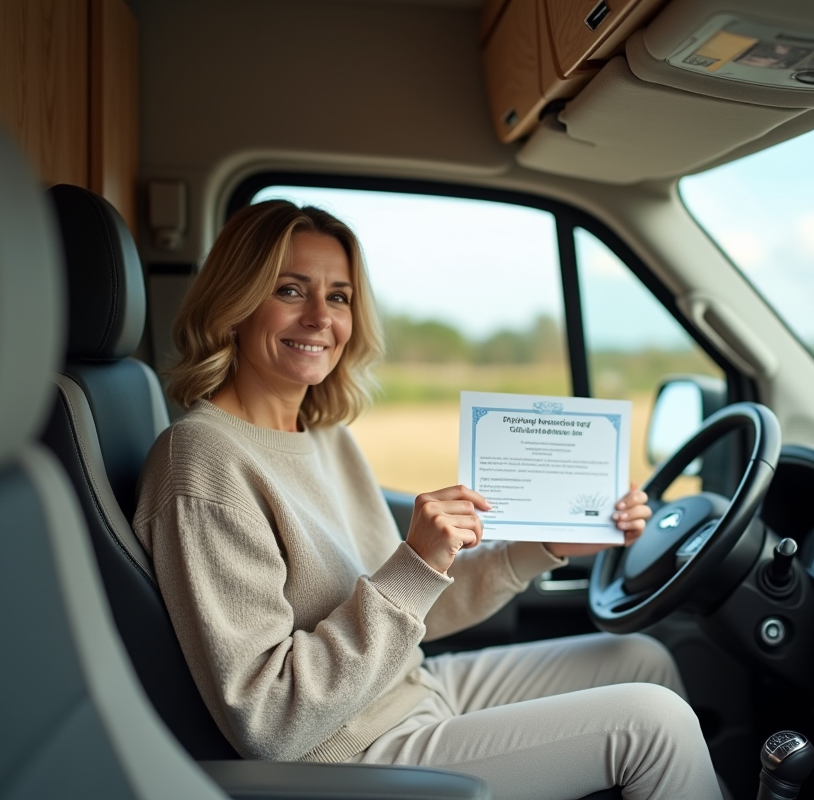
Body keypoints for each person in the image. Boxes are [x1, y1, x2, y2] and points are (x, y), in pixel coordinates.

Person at [133, 200, 722, 800]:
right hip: (349, 753)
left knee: (641, 659)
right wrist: (416, 565)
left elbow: (406, 617)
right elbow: (270, 719)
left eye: (338, 297)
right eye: (290, 290)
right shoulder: (202, 464)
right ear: (235, 302)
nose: (320, 317)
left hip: (405, 688)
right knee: (656, 723)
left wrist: (539, 547)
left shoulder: (324, 436)